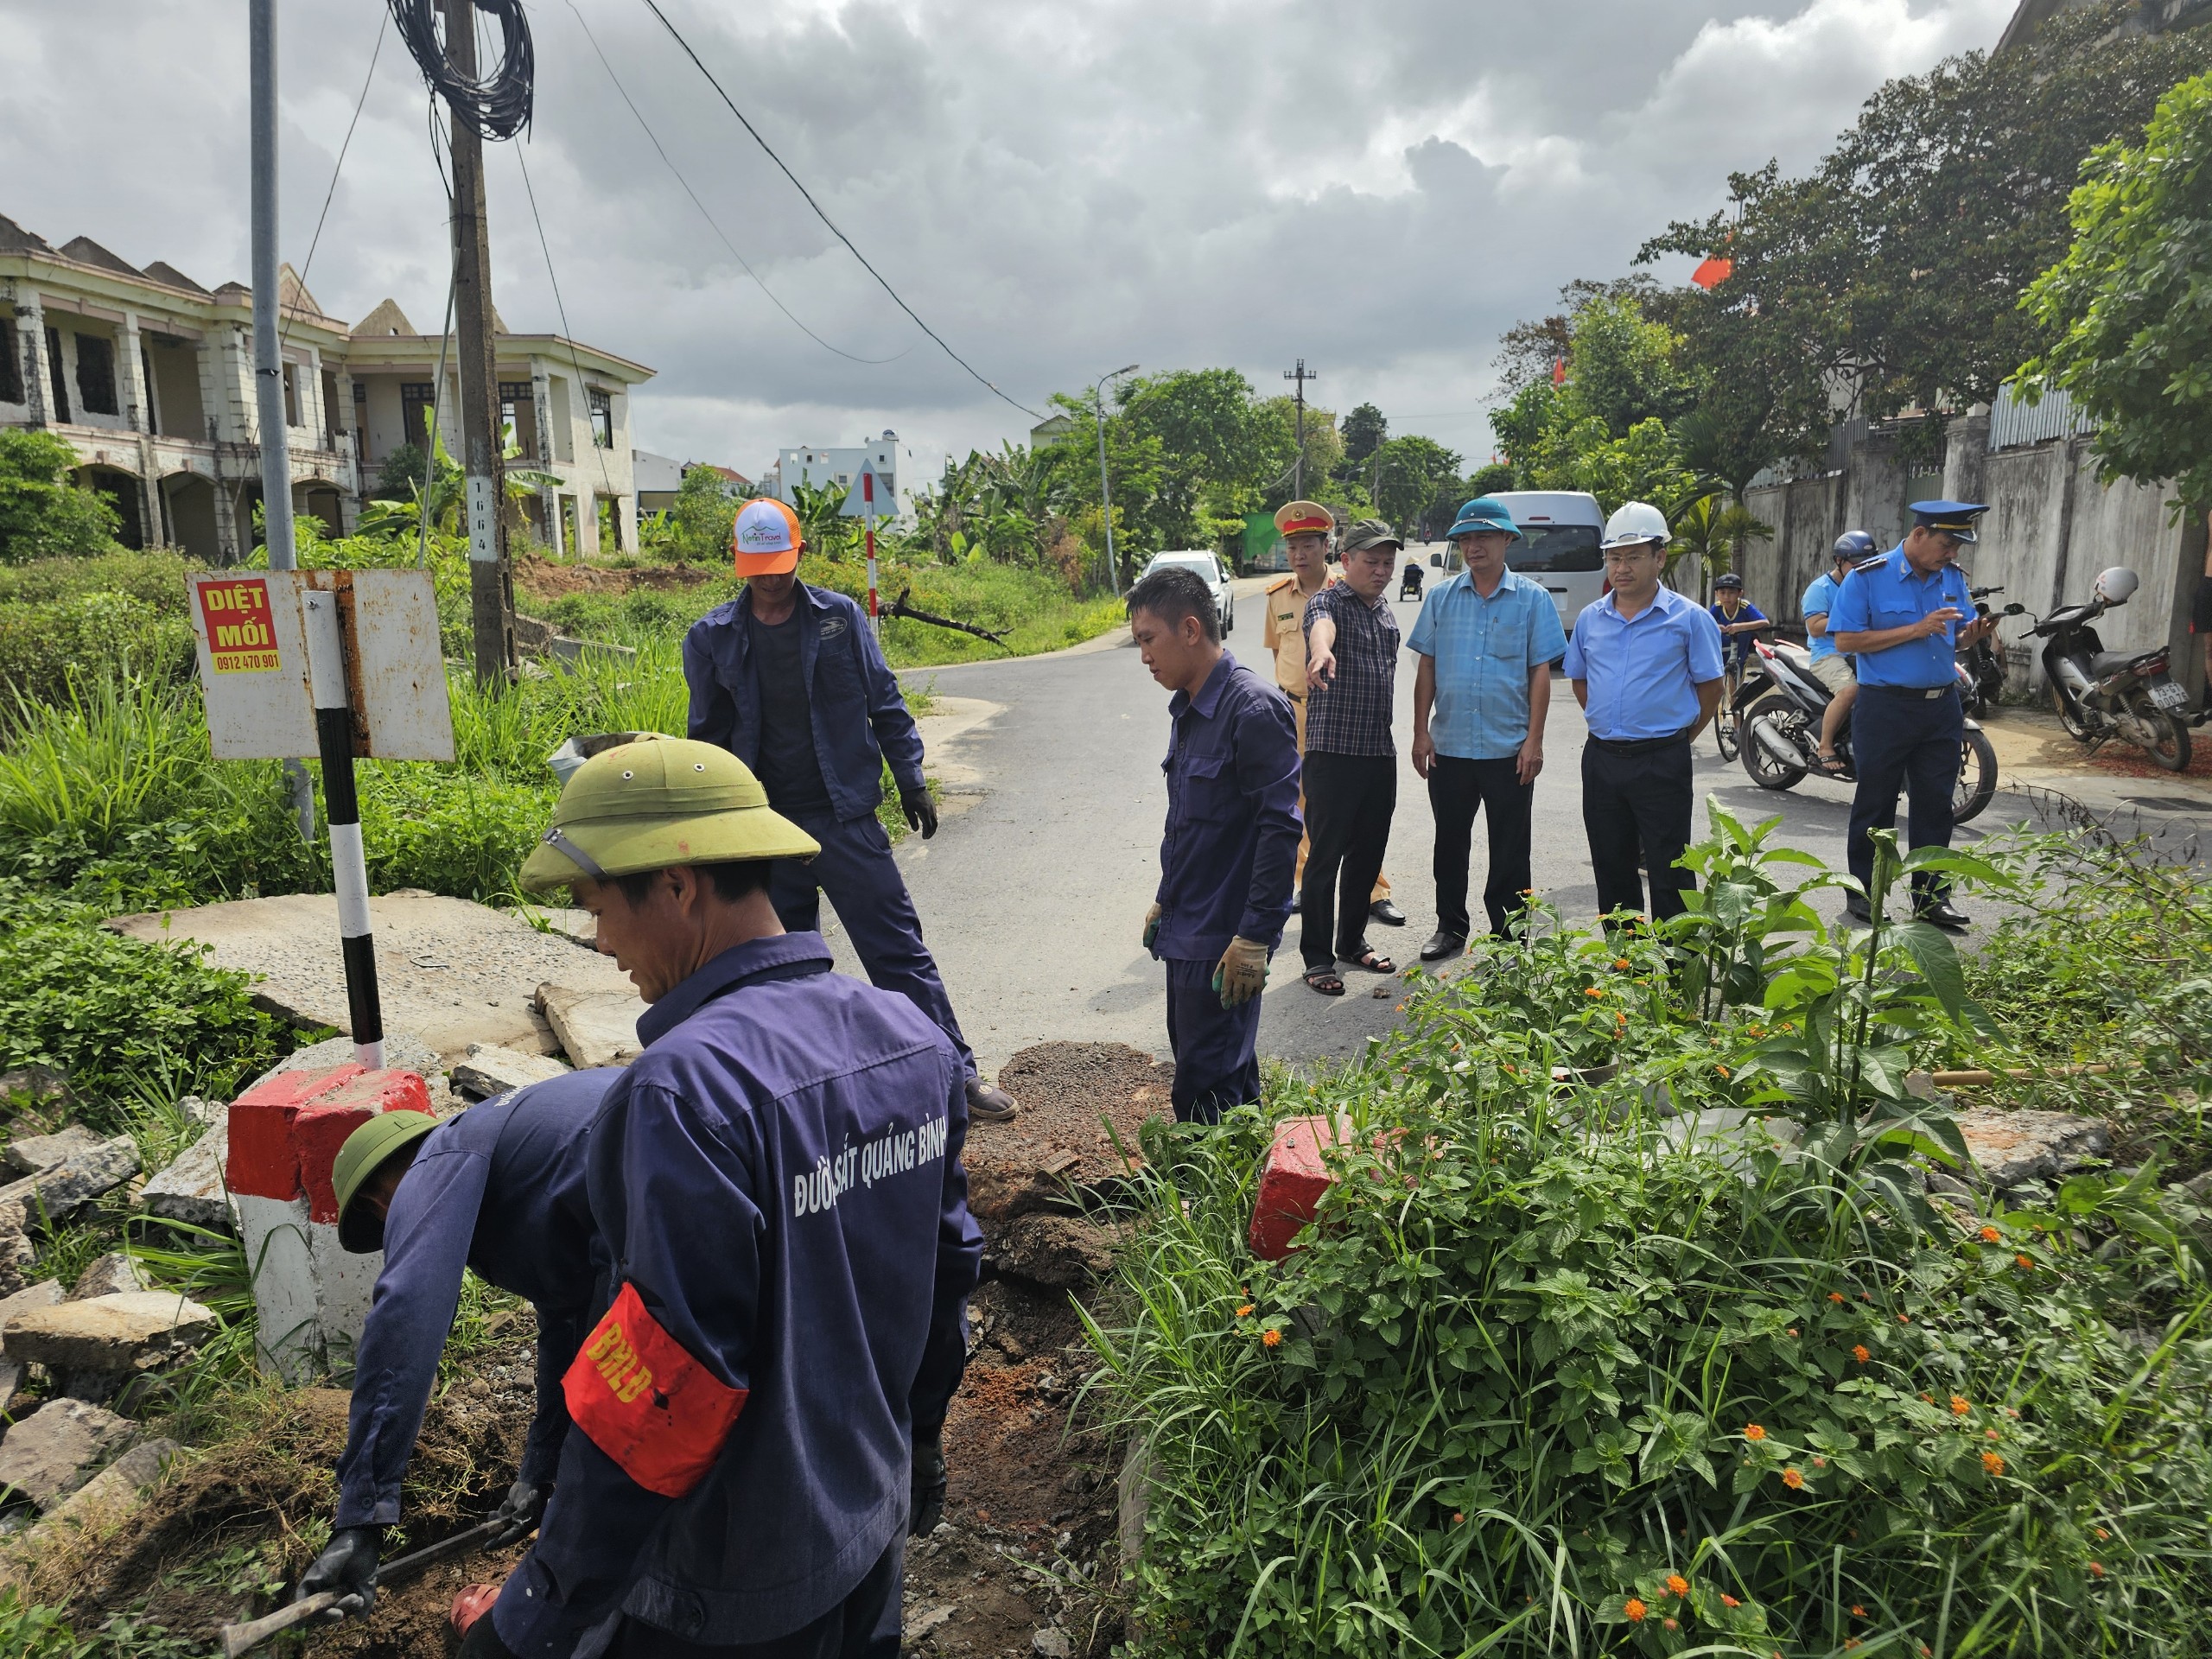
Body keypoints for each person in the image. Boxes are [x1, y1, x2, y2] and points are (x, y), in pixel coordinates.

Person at [449, 735, 983, 1658]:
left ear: (677, 886)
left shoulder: (680, 1092)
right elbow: (948, 1273)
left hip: (726, 1588)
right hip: (865, 1534)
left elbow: (662, 1382)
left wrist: (537, 1613)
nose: (599, 941)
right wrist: (921, 1441)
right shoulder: (908, 1036)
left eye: (595, 904)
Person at [684, 498, 1018, 1123]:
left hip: (846, 819)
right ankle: (809, 1102)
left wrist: (911, 777)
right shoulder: (711, 639)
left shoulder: (838, 619)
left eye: (780, 565)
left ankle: (955, 1075)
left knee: (897, 952)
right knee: (782, 971)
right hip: (765, 833)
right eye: (757, 567)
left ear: (800, 555)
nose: (770, 578)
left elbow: (884, 699)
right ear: (739, 564)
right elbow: (708, 740)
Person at [296, 1070, 622, 1624]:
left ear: (380, 1200)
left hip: (671, 1192)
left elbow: (405, 1318)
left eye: (386, 1218)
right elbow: (568, 1322)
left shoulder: (436, 1163)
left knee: (626, 1451)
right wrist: (542, 1468)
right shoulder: (519, 1164)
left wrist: (362, 1518)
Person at [1131, 564, 1300, 1122]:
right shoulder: (1188, 708)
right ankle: (1254, 1190)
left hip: (1224, 942)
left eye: (1148, 640)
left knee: (1205, 1092)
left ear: (1190, 629)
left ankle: (1207, 1200)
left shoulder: (1252, 709)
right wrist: (1164, 896)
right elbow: (1187, 823)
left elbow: (1281, 831)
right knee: (1222, 1077)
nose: (1144, 656)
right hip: (1188, 930)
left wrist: (1254, 937)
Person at [1407, 496, 1566, 961]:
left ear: (1506, 540)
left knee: (1511, 850)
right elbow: (1427, 667)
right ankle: (1450, 927)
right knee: (1449, 844)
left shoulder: (1533, 599)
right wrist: (1421, 731)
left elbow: (1541, 673)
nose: (1473, 546)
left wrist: (1534, 740)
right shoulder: (1441, 598)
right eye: (1465, 539)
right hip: (1451, 747)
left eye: (1483, 537)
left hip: (1508, 748)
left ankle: (1509, 936)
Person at [1827, 501, 1996, 931]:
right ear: (1919, 535)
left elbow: (1954, 639)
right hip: (1886, 706)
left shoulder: (1953, 579)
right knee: (1876, 802)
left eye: (1958, 546)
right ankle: (1864, 893)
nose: (1952, 553)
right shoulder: (1868, 577)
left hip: (1941, 707)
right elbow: (1846, 640)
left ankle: (1931, 899)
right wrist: (1916, 628)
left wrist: (1970, 636)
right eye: (1946, 543)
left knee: (1936, 806)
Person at [1561, 501, 1726, 924]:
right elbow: (1580, 681)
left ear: (1659, 558)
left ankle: (1676, 975)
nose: (1622, 567)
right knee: (1612, 868)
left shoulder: (1689, 618)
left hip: (1661, 761)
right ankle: (1627, 971)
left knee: (1670, 868)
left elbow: (1711, 687)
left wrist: (1681, 736)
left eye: (1634, 556)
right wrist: (1609, 724)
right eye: (1614, 557)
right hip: (1602, 760)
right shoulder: (1589, 620)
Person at [1259, 500, 1402, 927]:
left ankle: (1374, 891)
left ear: (1328, 547)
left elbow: (1324, 629)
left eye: (1308, 545)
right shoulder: (1277, 597)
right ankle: (1308, 882)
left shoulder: (1345, 592)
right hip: (1292, 711)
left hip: (1339, 718)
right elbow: (1277, 654)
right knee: (1302, 804)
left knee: (1358, 813)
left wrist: (1322, 651)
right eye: (1293, 546)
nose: (1300, 554)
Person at [1300, 519, 1406, 994]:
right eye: (1372, 562)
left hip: (1378, 755)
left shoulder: (1386, 613)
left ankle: (1351, 941)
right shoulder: (1328, 601)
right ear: (1346, 562)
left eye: (1388, 562)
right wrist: (1321, 651)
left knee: (1367, 856)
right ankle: (1318, 958)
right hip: (1332, 756)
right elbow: (1320, 629)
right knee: (1324, 860)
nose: (1382, 571)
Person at [1802, 531, 1877, 775]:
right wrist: (1847, 619)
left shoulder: (1868, 586)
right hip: (1827, 655)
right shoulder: (1820, 588)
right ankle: (1824, 746)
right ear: (1838, 561)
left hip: (1860, 650)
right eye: (1855, 565)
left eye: (1866, 564)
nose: (1861, 570)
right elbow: (1814, 627)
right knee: (1849, 690)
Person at [1708, 573, 1769, 687]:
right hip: (1720, 651)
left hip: (1739, 652)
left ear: (1740, 593)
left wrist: (1740, 627)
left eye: (1731, 593)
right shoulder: (1717, 607)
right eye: (1722, 593)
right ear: (1716, 594)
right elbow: (1705, 622)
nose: (1726, 597)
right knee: (1715, 687)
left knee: (1735, 688)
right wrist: (1716, 627)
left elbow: (1764, 622)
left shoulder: (1745, 606)